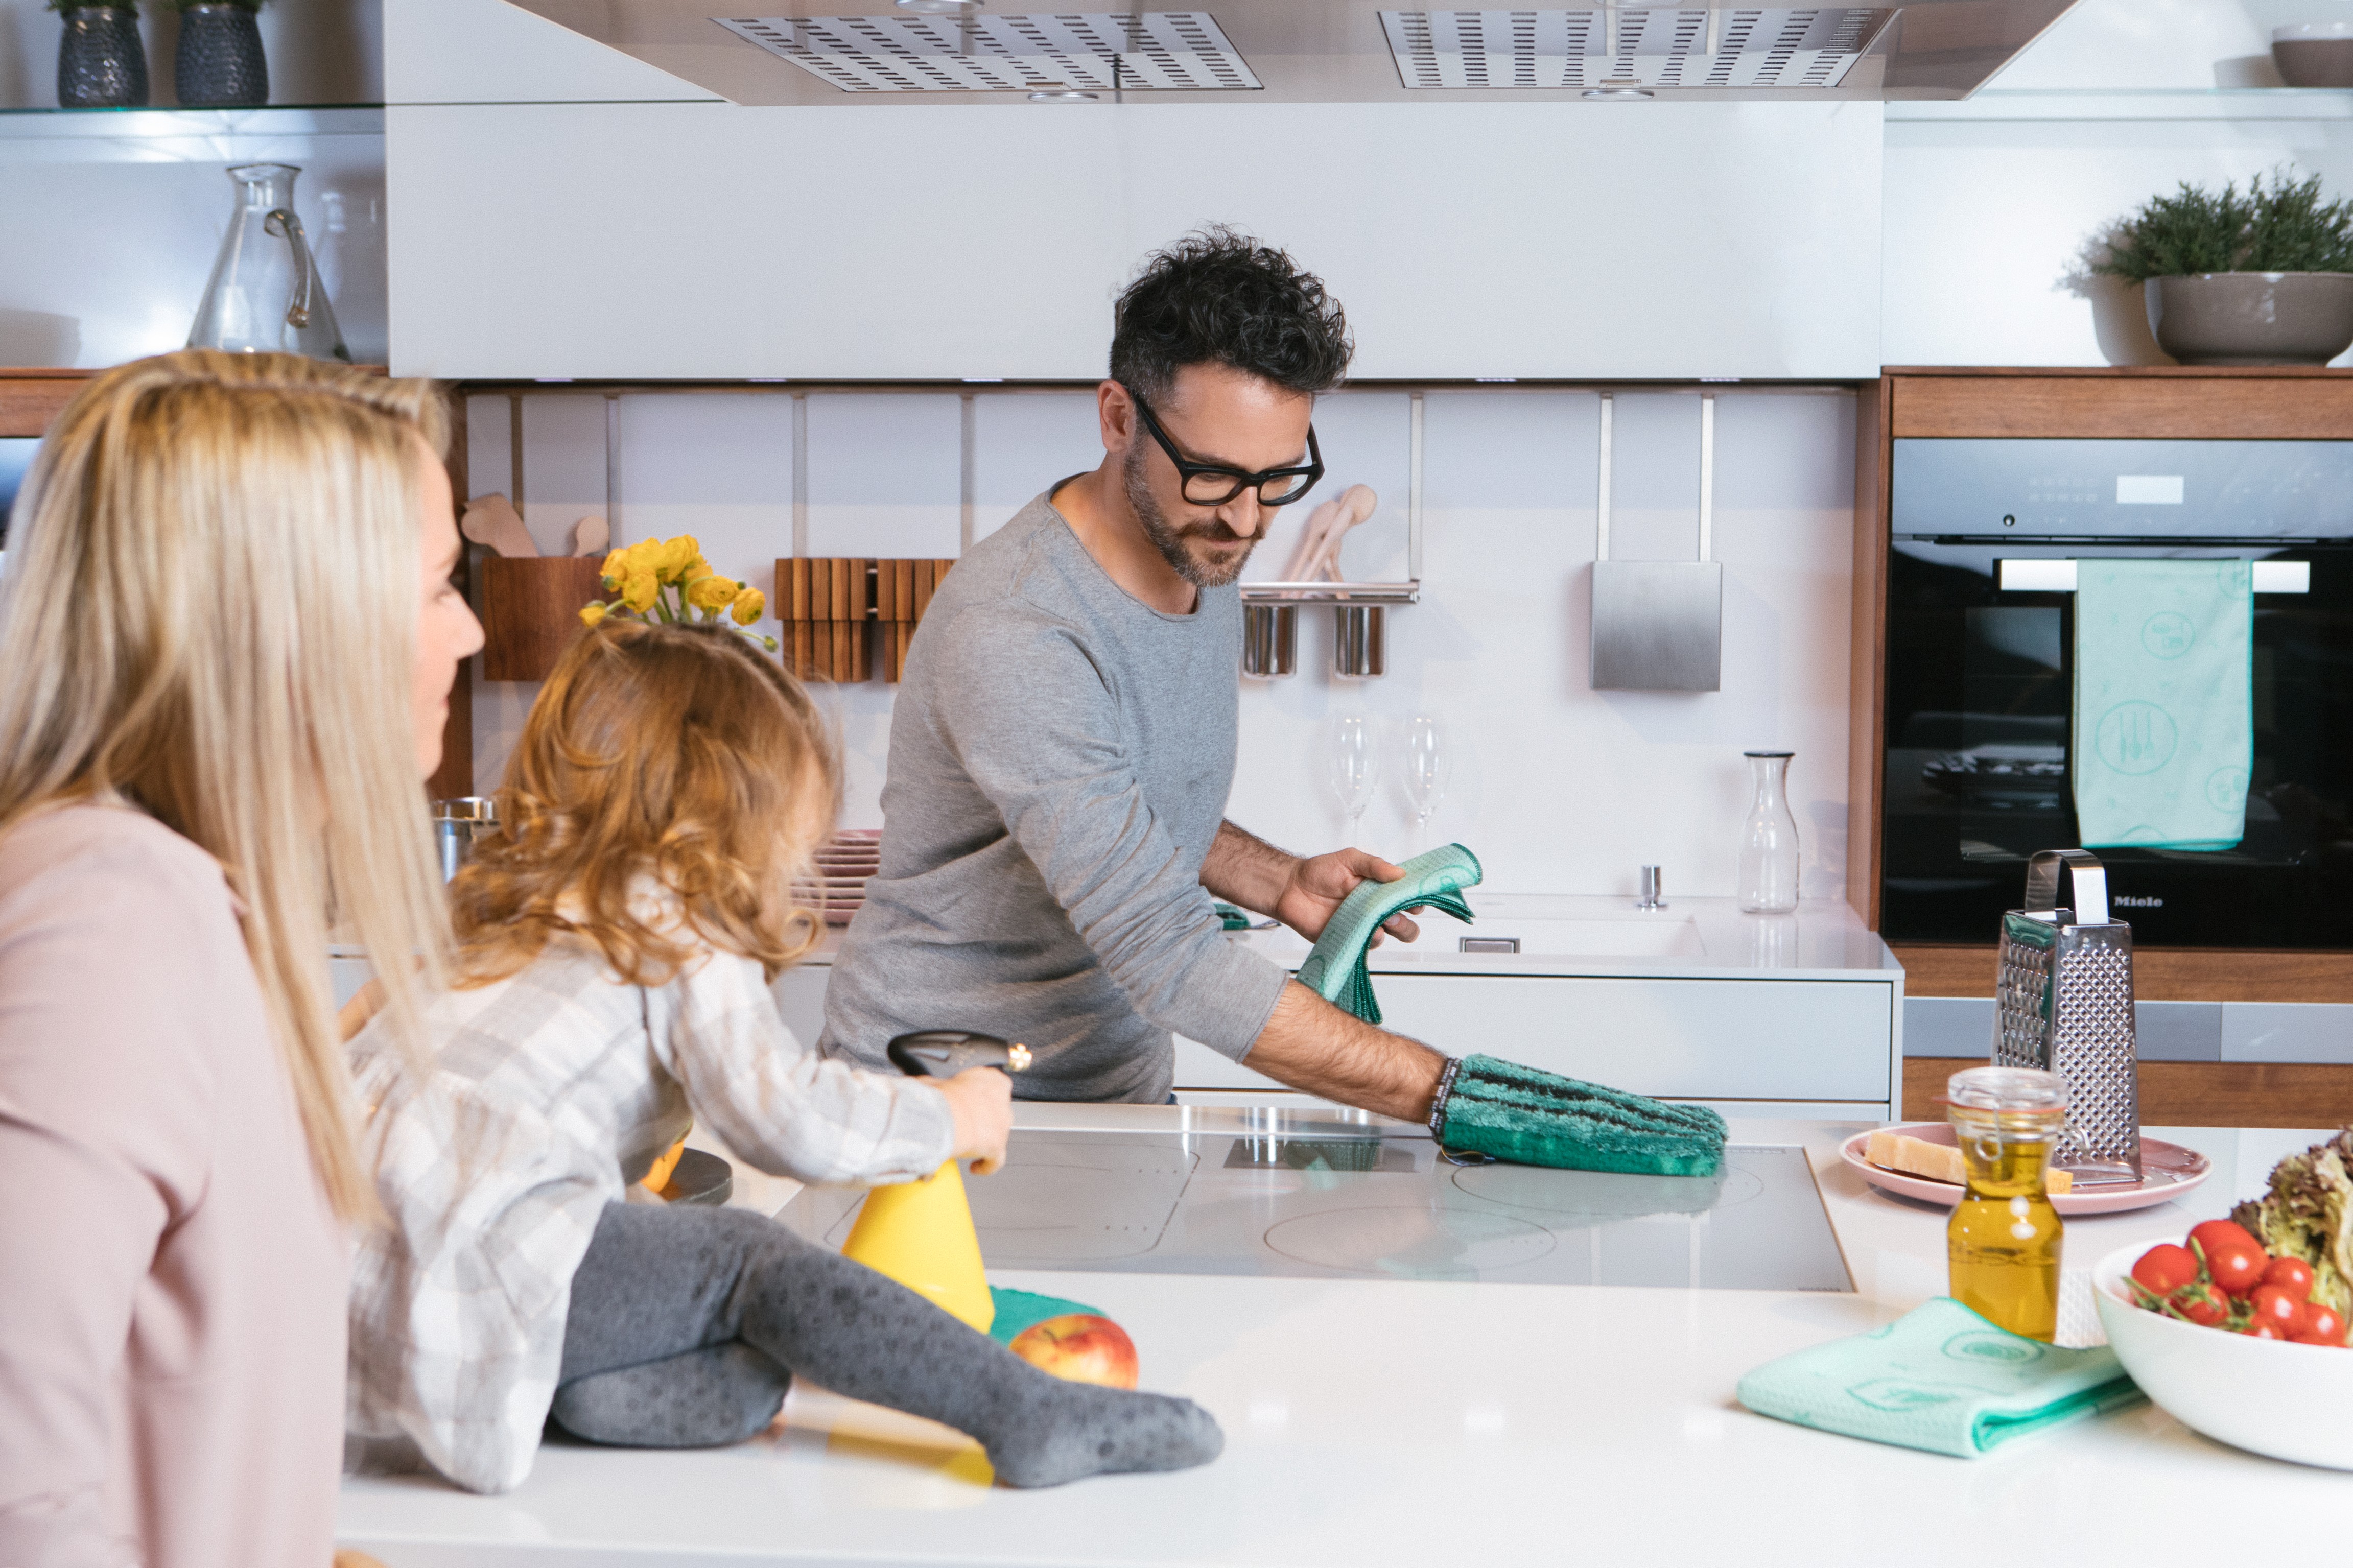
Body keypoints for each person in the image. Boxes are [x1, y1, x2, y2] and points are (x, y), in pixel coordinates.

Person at [344, 618, 1223, 1494]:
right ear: (728, 823)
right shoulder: (671, 915)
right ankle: (1028, 1413)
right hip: (492, 1253)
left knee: (732, 1363)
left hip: (355, 1290)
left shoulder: (486, 911)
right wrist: (947, 1115)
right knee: (747, 1258)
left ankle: (575, 1392)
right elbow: (782, 1119)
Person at [0, 351, 482, 1567]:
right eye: (438, 586)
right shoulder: (116, 923)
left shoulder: (180, 903)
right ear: (300, 619)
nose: (471, 629)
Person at [819, 228, 1448, 1121]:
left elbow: (1126, 798)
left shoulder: (1200, 554)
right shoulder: (1020, 627)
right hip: (932, 1105)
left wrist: (1275, 879)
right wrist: (1455, 1092)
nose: (1247, 518)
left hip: (1110, 1092)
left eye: (1278, 479)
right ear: (1118, 418)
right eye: (1213, 474)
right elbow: (1166, 951)